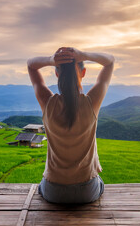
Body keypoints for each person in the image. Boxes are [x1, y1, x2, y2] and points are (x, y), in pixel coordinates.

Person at [27, 47, 114, 204]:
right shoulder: (91, 103)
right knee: (100, 183)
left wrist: (50, 60)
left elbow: (30, 65)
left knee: (41, 187)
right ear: (83, 73)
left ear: (57, 74)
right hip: (87, 191)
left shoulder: (48, 103)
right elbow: (110, 61)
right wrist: (85, 55)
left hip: (53, 192)